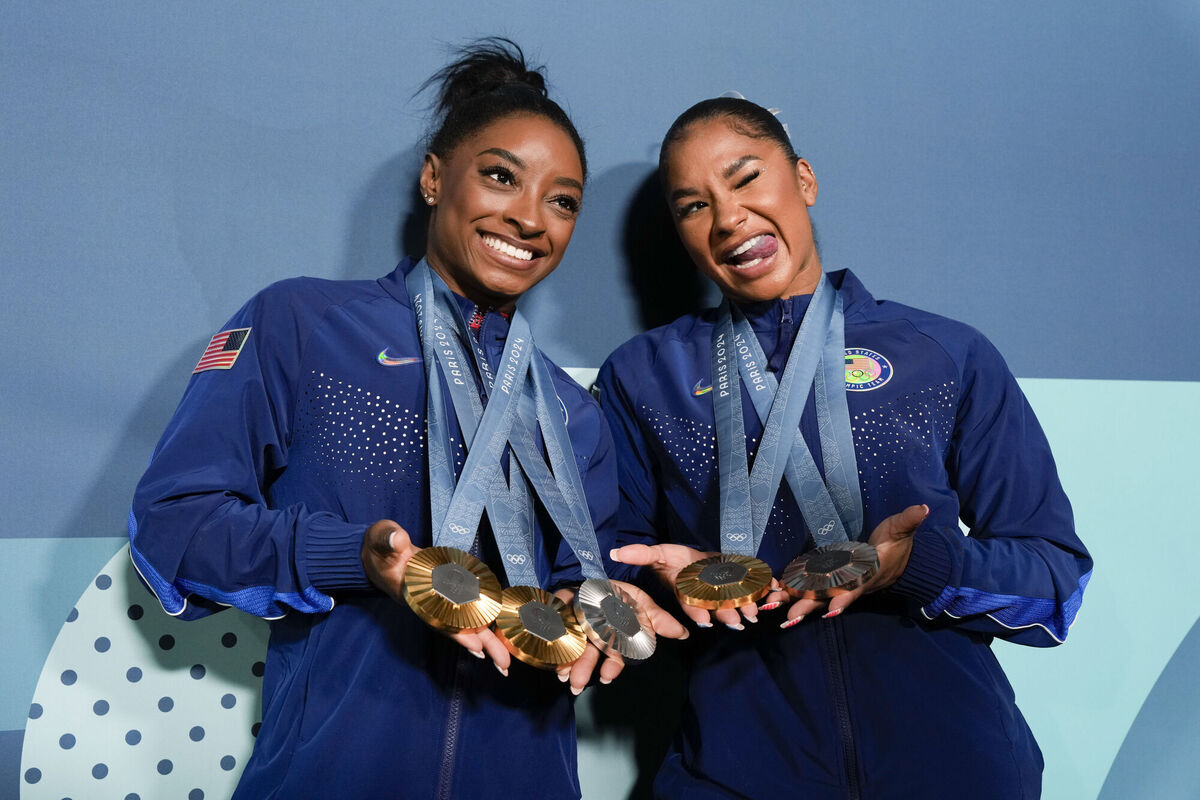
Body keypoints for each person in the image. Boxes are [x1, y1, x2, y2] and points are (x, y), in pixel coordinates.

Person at [130, 39, 683, 800]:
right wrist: (358, 559)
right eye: (500, 176)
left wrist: (595, 612)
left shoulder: (572, 411)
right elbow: (174, 527)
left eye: (562, 200)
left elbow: (568, 599)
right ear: (433, 177)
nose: (530, 219)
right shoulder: (306, 324)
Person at [596, 96, 1092, 799]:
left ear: (804, 180)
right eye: (693, 206)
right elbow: (609, 564)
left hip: (954, 771)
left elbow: (1055, 586)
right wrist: (658, 584)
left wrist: (917, 566)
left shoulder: (941, 354)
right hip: (733, 775)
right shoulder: (645, 375)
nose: (729, 217)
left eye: (745, 179)